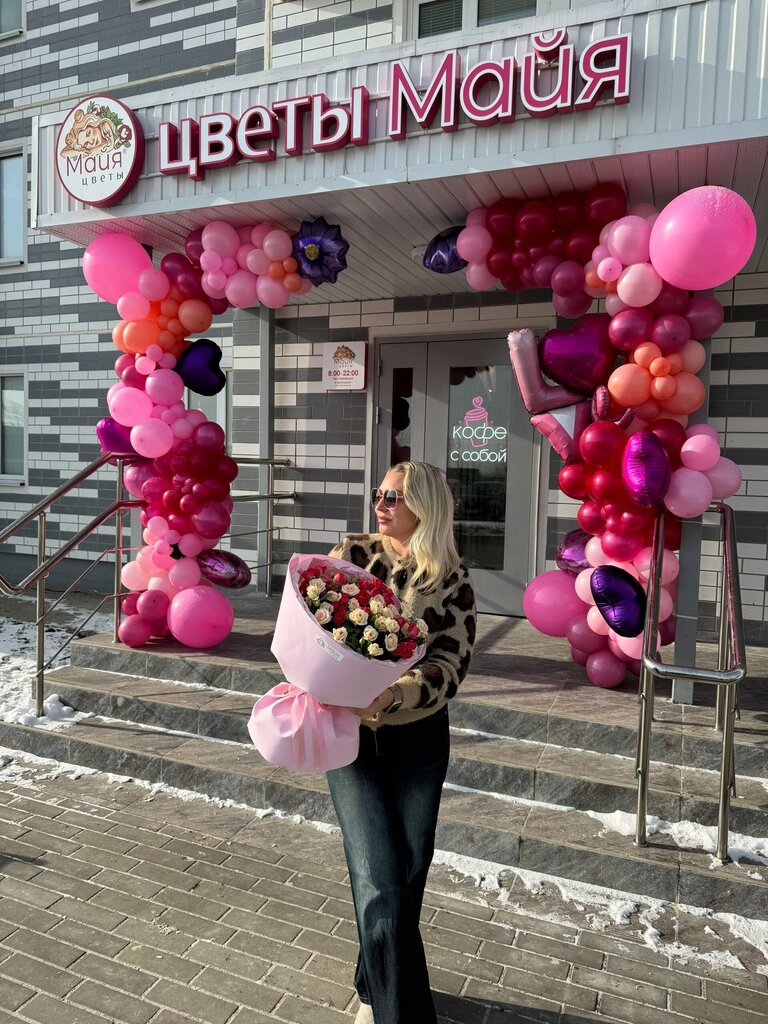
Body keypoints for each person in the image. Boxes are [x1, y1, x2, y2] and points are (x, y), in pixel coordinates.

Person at [327, 461, 476, 1024]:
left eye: (393, 495)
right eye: (378, 493)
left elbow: (450, 663)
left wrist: (397, 695)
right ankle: (401, 1013)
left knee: (407, 873)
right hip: (353, 740)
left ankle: (373, 980)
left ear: (424, 506)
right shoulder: (352, 553)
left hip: (417, 738)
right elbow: (318, 625)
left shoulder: (452, 580)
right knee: (377, 876)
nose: (380, 503)